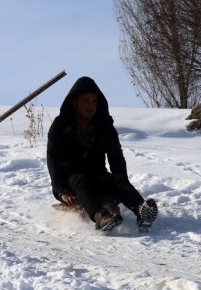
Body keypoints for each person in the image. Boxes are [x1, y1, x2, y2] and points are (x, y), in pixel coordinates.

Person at [46, 76, 157, 231]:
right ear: (74, 102)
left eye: (94, 101)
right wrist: (61, 191)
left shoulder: (104, 126)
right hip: (72, 180)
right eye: (86, 101)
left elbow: (116, 158)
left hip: (98, 174)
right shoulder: (60, 126)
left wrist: (121, 186)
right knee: (81, 180)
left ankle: (141, 210)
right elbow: (53, 160)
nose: (91, 106)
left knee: (115, 181)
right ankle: (100, 216)